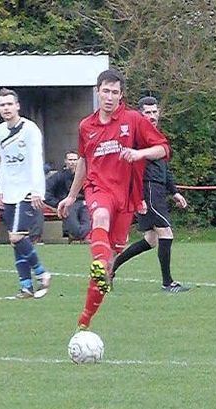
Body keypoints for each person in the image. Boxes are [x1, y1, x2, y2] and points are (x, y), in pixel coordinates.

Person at [57, 69, 171, 330]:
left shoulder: (133, 119)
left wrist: (138, 154)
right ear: (97, 92)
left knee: (107, 268)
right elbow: (84, 162)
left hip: (126, 198)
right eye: (105, 91)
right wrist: (72, 195)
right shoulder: (86, 126)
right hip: (99, 189)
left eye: (115, 92)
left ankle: (85, 320)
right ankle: (97, 264)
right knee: (100, 216)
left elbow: (163, 148)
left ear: (121, 95)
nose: (110, 97)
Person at [111, 96, 189, 292]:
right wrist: (139, 197)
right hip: (148, 189)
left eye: (155, 112)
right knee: (166, 233)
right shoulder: (136, 137)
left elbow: (164, 167)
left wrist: (175, 192)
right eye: (148, 112)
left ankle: (111, 267)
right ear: (140, 114)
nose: (152, 116)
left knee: (151, 239)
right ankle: (167, 283)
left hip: (158, 189)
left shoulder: (155, 136)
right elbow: (129, 168)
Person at [0, 88, 51, 299]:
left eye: (10, 104)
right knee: (16, 240)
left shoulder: (30, 129)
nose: (6, 108)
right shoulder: (0, 130)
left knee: (16, 236)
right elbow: (4, 162)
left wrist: (37, 190)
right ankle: (26, 286)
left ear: (17, 106)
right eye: (2, 105)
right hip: (9, 190)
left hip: (27, 190)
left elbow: (37, 160)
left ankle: (42, 273)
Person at [45, 150, 91, 242]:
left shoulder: (86, 175)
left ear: (79, 161)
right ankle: (83, 236)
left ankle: (83, 235)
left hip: (84, 203)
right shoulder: (58, 176)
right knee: (75, 229)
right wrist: (58, 204)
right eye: (70, 160)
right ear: (65, 161)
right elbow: (46, 193)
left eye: (75, 160)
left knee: (87, 223)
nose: (72, 162)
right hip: (67, 205)